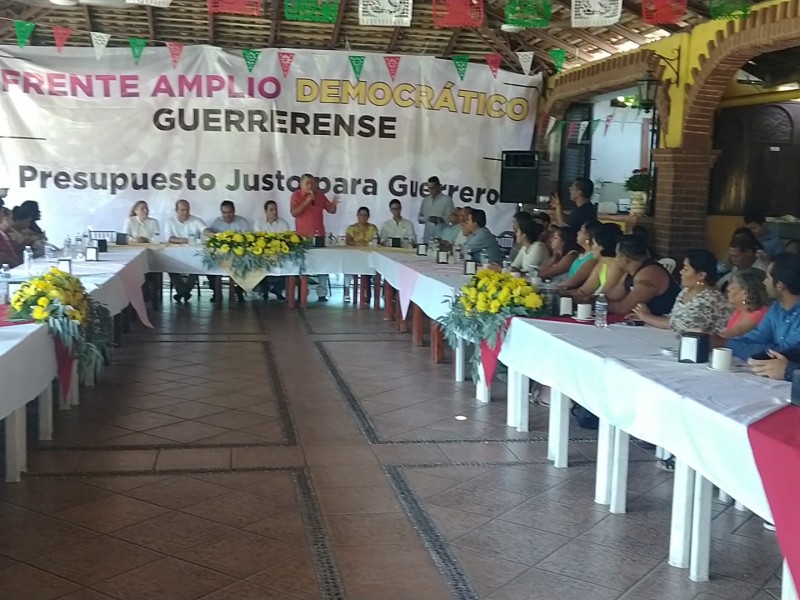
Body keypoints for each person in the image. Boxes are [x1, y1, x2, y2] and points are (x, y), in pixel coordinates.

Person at [630, 249, 731, 334]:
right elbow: (673, 317)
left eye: (686, 269)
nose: (681, 272)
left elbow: (681, 326)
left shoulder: (709, 299)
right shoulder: (686, 290)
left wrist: (646, 317)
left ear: (701, 275)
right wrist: (645, 317)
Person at [727, 253, 800, 359]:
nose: (764, 282)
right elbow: (747, 340)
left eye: (767, 278)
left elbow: (788, 353)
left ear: (780, 286)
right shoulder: (776, 308)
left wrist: (764, 350)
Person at [290, 173, 340, 302]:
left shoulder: (320, 195)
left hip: (319, 235)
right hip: (303, 236)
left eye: (312, 183)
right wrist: (307, 200)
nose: (310, 186)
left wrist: (334, 204)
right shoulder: (296, 195)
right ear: (301, 184)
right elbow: (294, 213)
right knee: (303, 264)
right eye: (307, 183)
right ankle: (303, 293)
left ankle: (322, 293)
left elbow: (331, 210)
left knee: (323, 264)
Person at [606, 234, 681, 316]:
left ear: (624, 259)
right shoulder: (630, 273)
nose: (615, 259)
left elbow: (623, 308)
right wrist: (592, 299)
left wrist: (598, 305)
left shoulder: (649, 274)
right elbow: (611, 296)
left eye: (616, 255)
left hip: (664, 323)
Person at [562, 223, 623, 301]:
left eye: (594, 243)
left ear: (602, 247)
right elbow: (584, 290)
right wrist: (560, 292)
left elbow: (603, 295)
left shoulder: (615, 266)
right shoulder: (601, 265)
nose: (592, 247)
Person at [205, 201, 251, 303]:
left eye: (229, 212)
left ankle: (239, 291)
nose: (227, 215)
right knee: (210, 264)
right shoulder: (216, 222)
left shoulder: (242, 222)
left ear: (234, 211)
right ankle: (216, 292)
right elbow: (212, 240)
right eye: (224, 212)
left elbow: (248, 240)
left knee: (247, 264)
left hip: (238, 255)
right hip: (221, 256)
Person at [164, 199, 206, 303]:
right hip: (175, 255)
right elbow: (169, 238)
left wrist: (213, 235)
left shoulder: (196, 220)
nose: (185, 213)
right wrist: (186, 240)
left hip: (193, 254)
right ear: (176, 210)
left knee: (198, 265)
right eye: (182, 210)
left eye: (187, 210)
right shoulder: (170, 221)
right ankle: (184, 291)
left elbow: (205, 230)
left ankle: (182, 291)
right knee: (168, 266)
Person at [716, 268, 771, 341]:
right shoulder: (739, 310)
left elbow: (734, 333)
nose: (728, 288)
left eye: (733, 288)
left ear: (746, 293)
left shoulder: (759, 313)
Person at [342, 207, 380, 303]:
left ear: (368, 216)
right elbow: (348, 241)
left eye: (365, 215)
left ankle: (368, 294)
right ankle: (346, 293)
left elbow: (376, 240)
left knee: (372, 268)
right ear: (357, 216)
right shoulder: (352, 228)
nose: (363, 217)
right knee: (348, 268)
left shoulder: (373, 228)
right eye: (361, 215)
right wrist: (361, 244)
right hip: (354, 256)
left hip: (368, 255)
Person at [253, 200, 289, 301]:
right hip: (263, 255)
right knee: (259, 264)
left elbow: (286, 240)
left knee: (288, 264)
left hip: (279, 254)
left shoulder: (283, 223)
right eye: (271, 210)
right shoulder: (259, 223)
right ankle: (264, 290)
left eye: (276, 210)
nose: (274, 212)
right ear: (265, 211)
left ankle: (277, 289)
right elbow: (258, 239)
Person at [556, 220, 600, 290]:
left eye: (581, 230)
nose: (577, 232)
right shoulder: (583, 253)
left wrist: (552, 287)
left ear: (588, 236)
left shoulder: (592, 258)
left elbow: (573, 282)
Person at [418, 176, 453, 243]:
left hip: (441, 237)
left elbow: (450, 219)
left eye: (433, 188)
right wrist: (426, 218)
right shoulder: (426, 200)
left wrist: (439, 219)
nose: (431, 190)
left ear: (439, 187)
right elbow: (419, 218)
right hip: (427, 237)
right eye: (429, 188)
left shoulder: (447, 200)